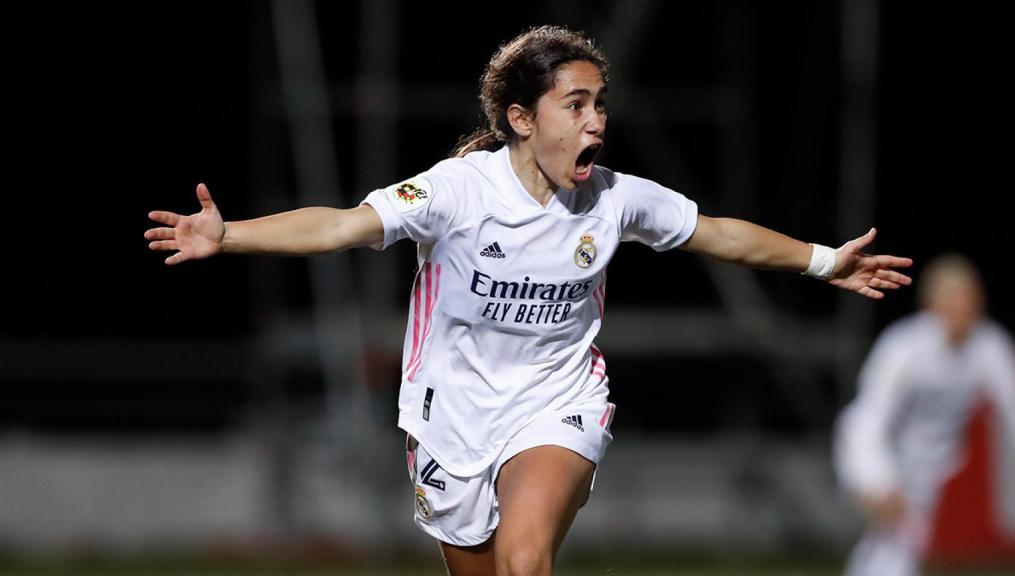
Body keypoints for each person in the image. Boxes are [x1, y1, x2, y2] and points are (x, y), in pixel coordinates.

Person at [146, 26, 913, 576]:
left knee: (524, 560)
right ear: (521, 119)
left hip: (557, 402)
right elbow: (341, 224)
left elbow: (718, 235)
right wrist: (231, 235)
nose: (597, 122)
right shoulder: (456, 193)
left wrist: (822, 261)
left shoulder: (614, 200)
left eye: (600, 105)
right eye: (576, 105)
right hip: (450, 415)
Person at [834, 254, 1015, 576]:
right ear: (933, 303)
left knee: (896, 548)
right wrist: (878, 479)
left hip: (933, 471)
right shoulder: (904, 347)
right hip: (879, 455)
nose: (965, 307)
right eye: (955, 296)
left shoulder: (990, 347)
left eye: (970, 296)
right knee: (899, 544)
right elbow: (867, 419)